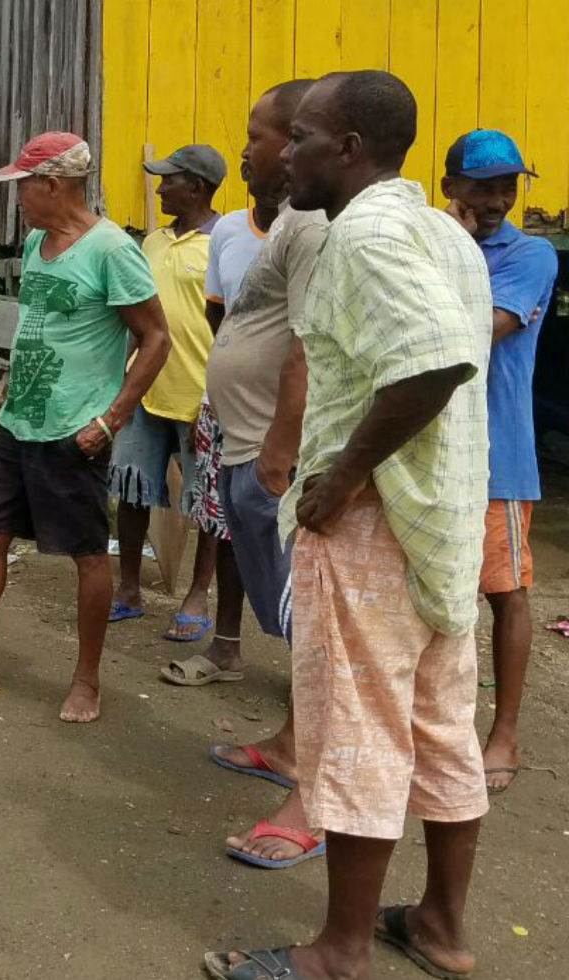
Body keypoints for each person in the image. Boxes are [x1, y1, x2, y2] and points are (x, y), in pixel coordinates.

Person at [207, 70, 492, 980]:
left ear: (351, 149)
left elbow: (435, 361)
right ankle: (441, 926)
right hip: (441, 517)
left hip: (375, 523)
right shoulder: (437, 228)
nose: (287, 152)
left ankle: (338, 953)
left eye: (303, 137)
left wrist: (343, 475)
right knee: (440, 722)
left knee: (359, 730)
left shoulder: (364, 234)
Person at [0, 132, 170, 722]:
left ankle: (86, 681)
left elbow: (156, 340)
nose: (17, 198)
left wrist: (111, 416)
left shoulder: (112, 251)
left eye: (22, 185)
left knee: (85, 555)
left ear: (53, 185)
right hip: (18, 422)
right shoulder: (33, 242)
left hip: (76, 431)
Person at [198, 79, 330, 871]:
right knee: (291, 624)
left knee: (315, 629)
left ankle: (316, 784)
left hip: (276, 458)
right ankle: (290, 743)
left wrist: (278, 456)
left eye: (259, 134)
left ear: (301, 139)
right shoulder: (288, 225)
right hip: (244, 443)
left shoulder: (319, 229)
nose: (245, 149)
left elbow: (309, 349)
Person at [441, 129, 558, 795]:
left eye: (507, 186)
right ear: (452, 184)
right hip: (429, 446)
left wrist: (453, 248)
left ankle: (505, 731)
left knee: (505, 593)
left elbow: (476, 332)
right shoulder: (434, 235)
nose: (496, 200)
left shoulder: (530, 253)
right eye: (482, 185)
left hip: (497, 456)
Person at [110, 144, 226, 642]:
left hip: (200, 394)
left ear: (196, 187)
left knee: (207, 503)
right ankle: (129, 588)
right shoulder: (152, 243)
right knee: (131, 488)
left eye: (169, 181)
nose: (159, 189)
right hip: (145, 387)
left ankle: (197, 594)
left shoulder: (225, 242)